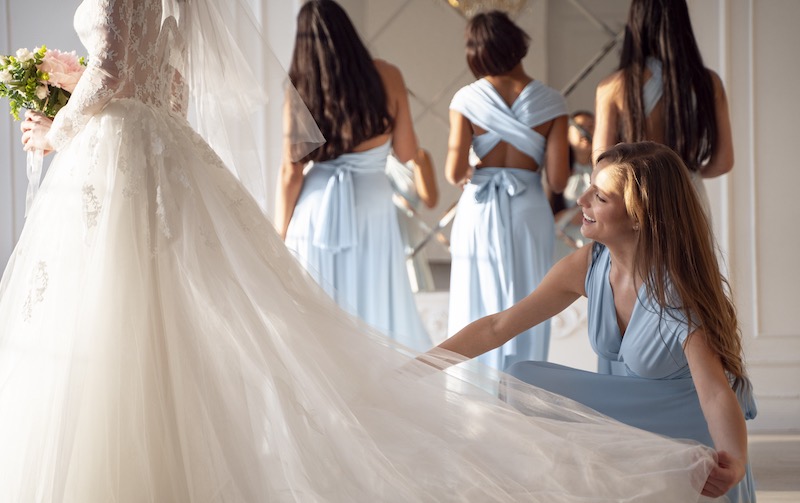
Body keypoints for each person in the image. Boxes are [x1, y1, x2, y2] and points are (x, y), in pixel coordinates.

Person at [3, 0, 725, 500]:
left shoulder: (555, 92)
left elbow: (302, 159)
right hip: (457, 204)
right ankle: (549, 405)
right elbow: (548, 175)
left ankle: (433, 391)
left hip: (325, 200)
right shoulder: (409, 79)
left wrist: (56, 124)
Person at [438, 141, 756, 502]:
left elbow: (716, 392)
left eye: (599, 197)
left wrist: (735, 460)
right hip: (632, 420)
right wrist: (420, 366)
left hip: (688, 432)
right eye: (589, 186)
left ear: (639, 214)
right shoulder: (590, 264)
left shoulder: (678, 293)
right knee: (523, 381)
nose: (581, 200)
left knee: (526, 382)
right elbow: (498, 327)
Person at [276, 0, 431, 351]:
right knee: (375, 306)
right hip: (372, 205)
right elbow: (407, 153)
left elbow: (291, 171)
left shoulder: (299, 87)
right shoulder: (388, 75)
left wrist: (279, 234)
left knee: (318, 316)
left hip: (316, 210)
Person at [444, 10, 570, 371]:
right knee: (532, 300)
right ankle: (525, 384)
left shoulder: (467, 99)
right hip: (529, 208)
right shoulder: (552, 102)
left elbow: (454, 172)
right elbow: (559, 181)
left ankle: (472, 392)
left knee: (474, 297)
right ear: (518, 44)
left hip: (479, 207)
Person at [593, 0, 734, 217]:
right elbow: (723, 162)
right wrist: (685, 175)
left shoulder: (613, 86)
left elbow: (602, 161)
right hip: (690, 199)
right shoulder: (708, 82)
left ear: (636, 22)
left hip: (637, 201)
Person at [385, 148, 439, 292]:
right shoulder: (368, 156)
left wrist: (418, 162)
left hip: (409, 240)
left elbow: (431, 201)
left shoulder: (418, 156)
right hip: (381, 240)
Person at [552, 110, 595, 256]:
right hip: (564, 245)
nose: (585, 131)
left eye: (591, 126)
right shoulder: (558, 172)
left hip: (594, 242)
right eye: (580, 126)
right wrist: (569, 217)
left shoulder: (603, 171)